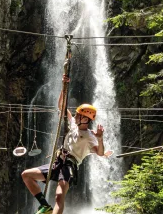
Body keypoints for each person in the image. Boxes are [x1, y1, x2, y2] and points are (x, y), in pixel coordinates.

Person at [21, 74, 105, 214]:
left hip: (69, 167)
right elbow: (61, 106)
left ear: (86, 119)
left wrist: (100, 138)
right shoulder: (72, 123)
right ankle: (45, 206)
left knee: (59, 196)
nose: (76, 116)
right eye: (77, 114)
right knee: (26, 175)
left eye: (79, 115)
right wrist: (64, 87)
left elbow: (100, 153)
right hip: (57, 163)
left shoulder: (91, 136)